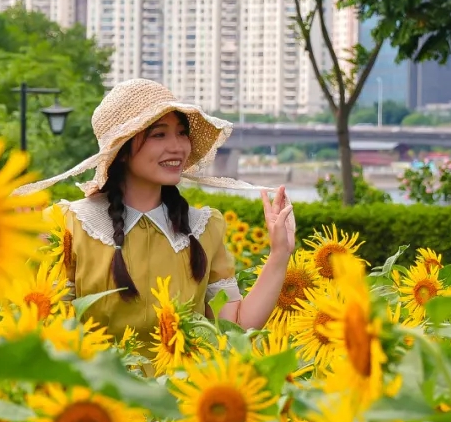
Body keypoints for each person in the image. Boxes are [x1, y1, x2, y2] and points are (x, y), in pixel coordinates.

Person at [21, 79, 295, 349]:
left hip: (180, 390)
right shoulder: (69, 225)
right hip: (95, 389)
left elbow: (234, 330)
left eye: (181, 132)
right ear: (123, 150)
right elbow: (46, 331)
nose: (177, 146)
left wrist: (279, 254)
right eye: (159, 134)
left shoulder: (204, 227)